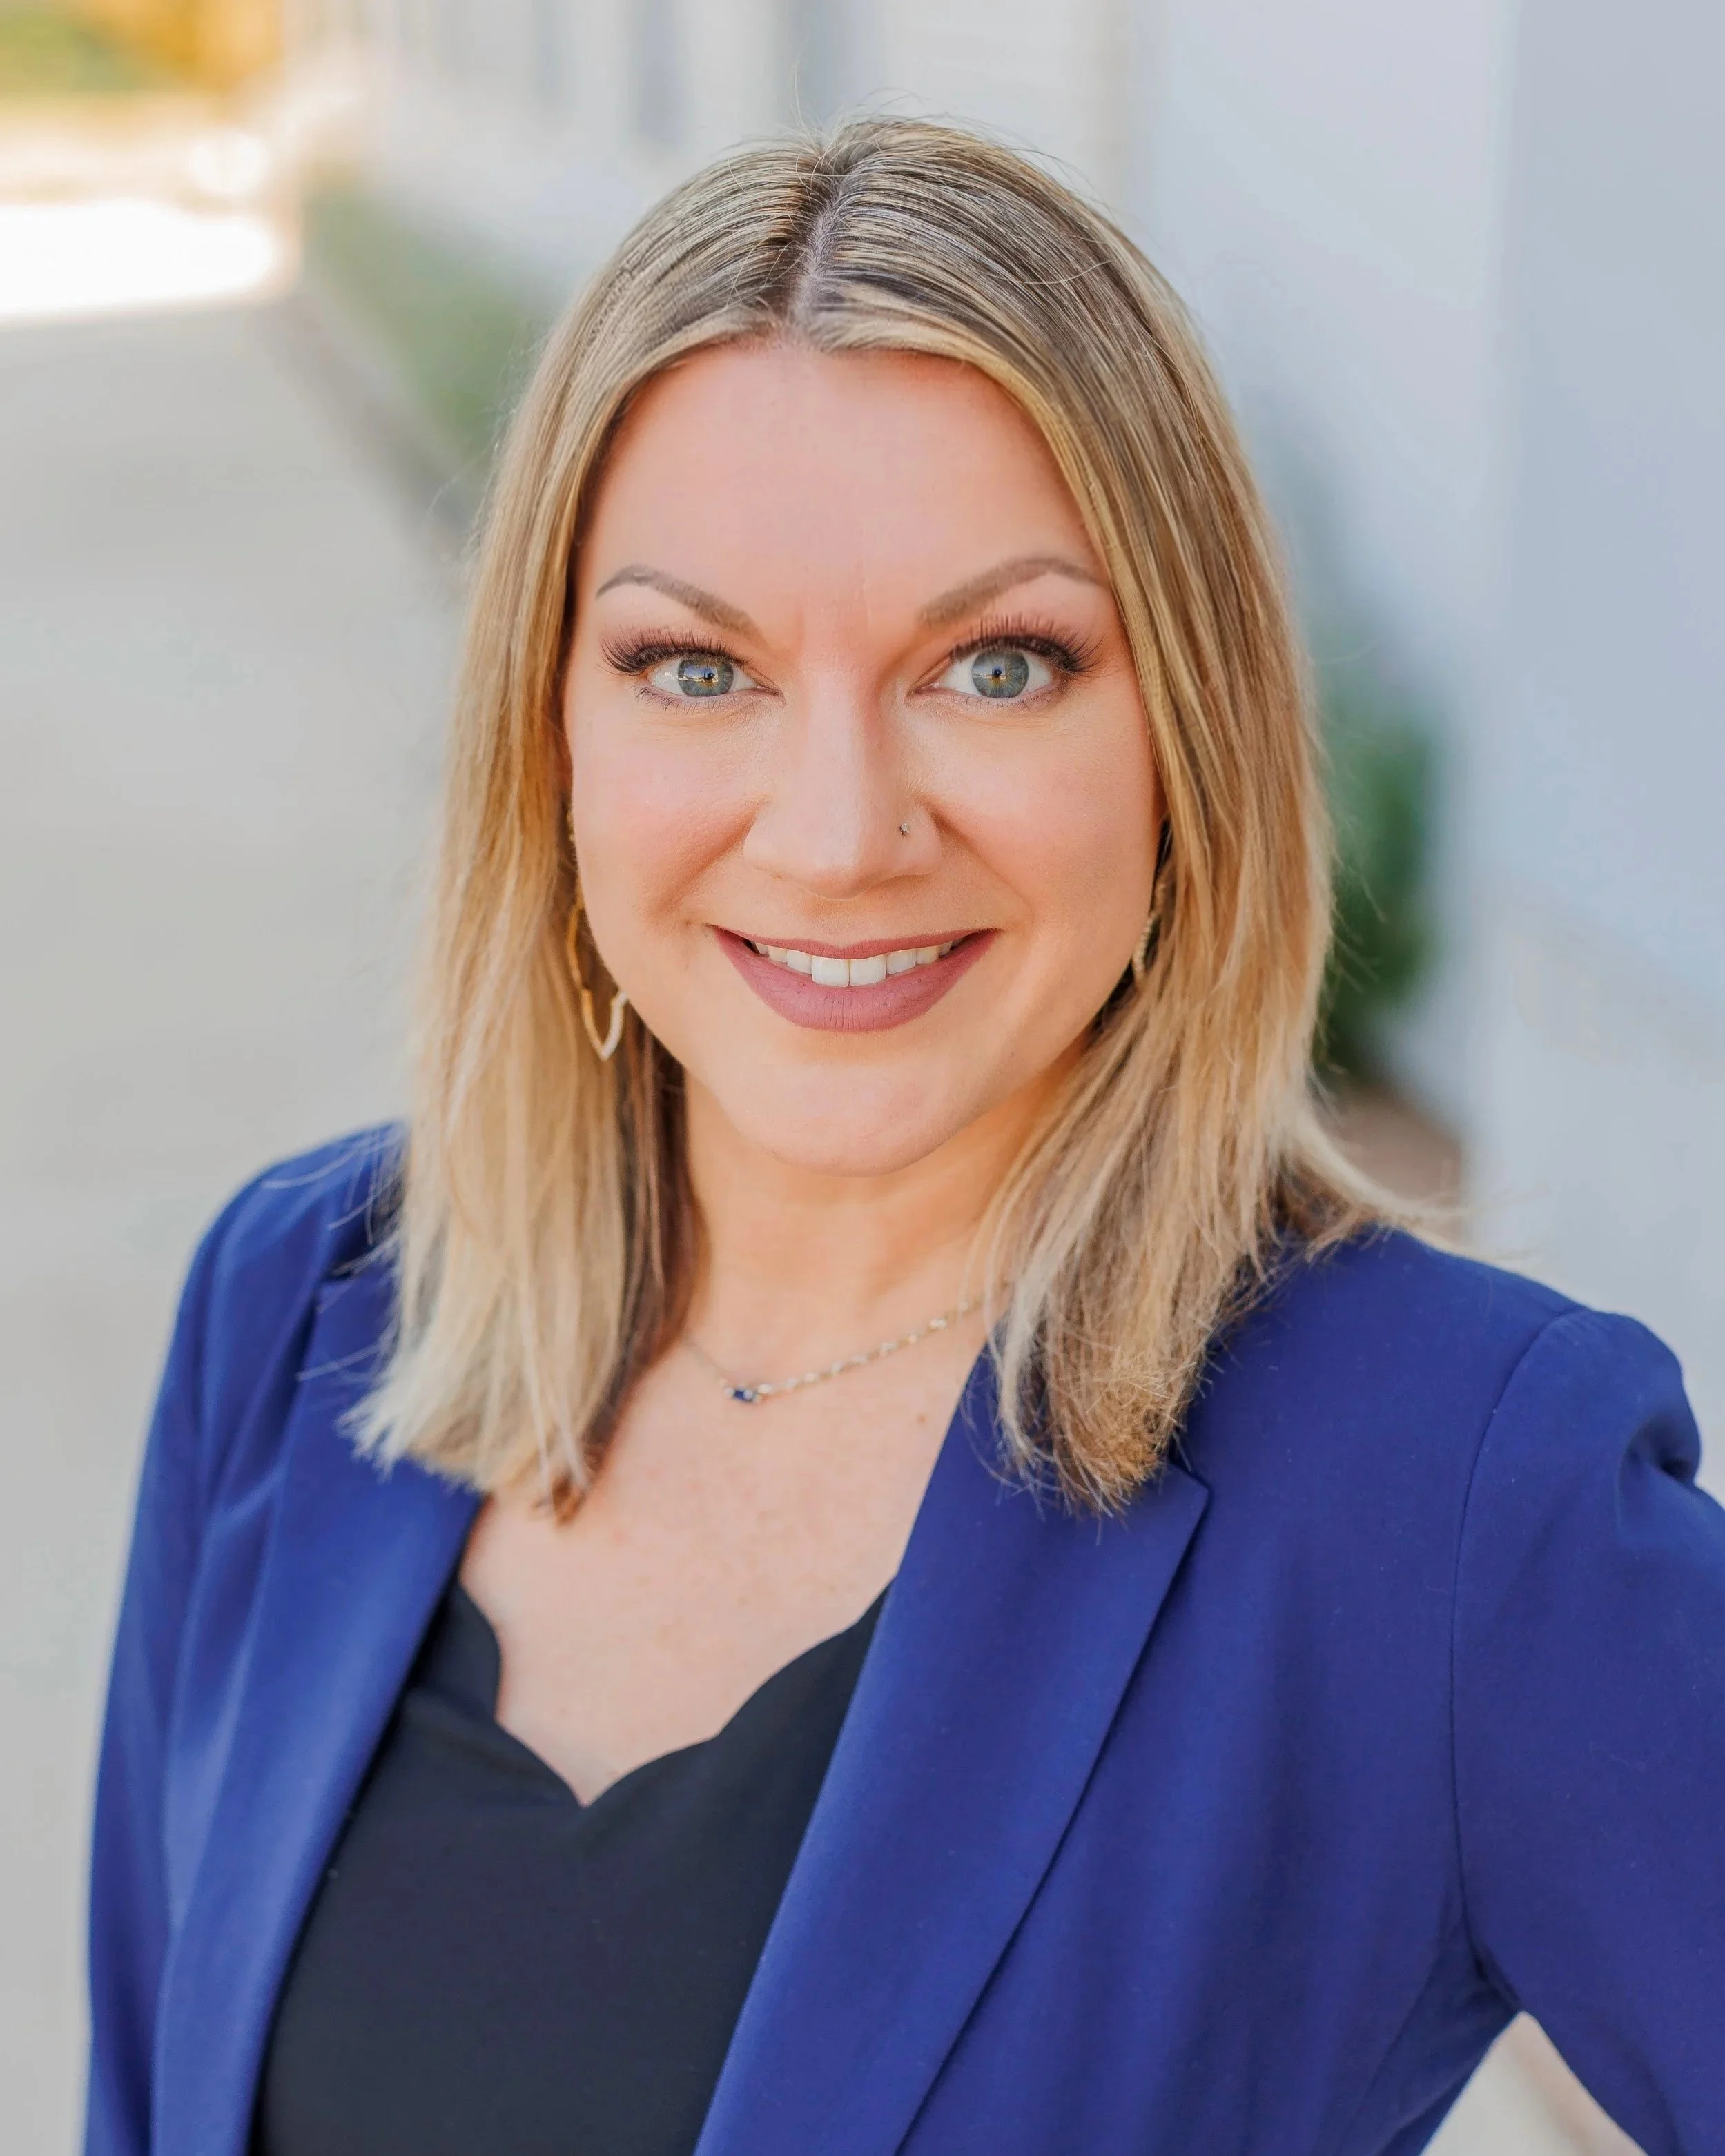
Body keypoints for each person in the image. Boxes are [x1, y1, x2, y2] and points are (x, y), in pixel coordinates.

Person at [86, 119, 1724, 2156]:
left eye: (997, 664)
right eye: (699, 667)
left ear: (1185, 744)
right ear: (554, 736)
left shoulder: (1463, 1490)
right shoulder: (301, 1313)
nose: (843, 831)